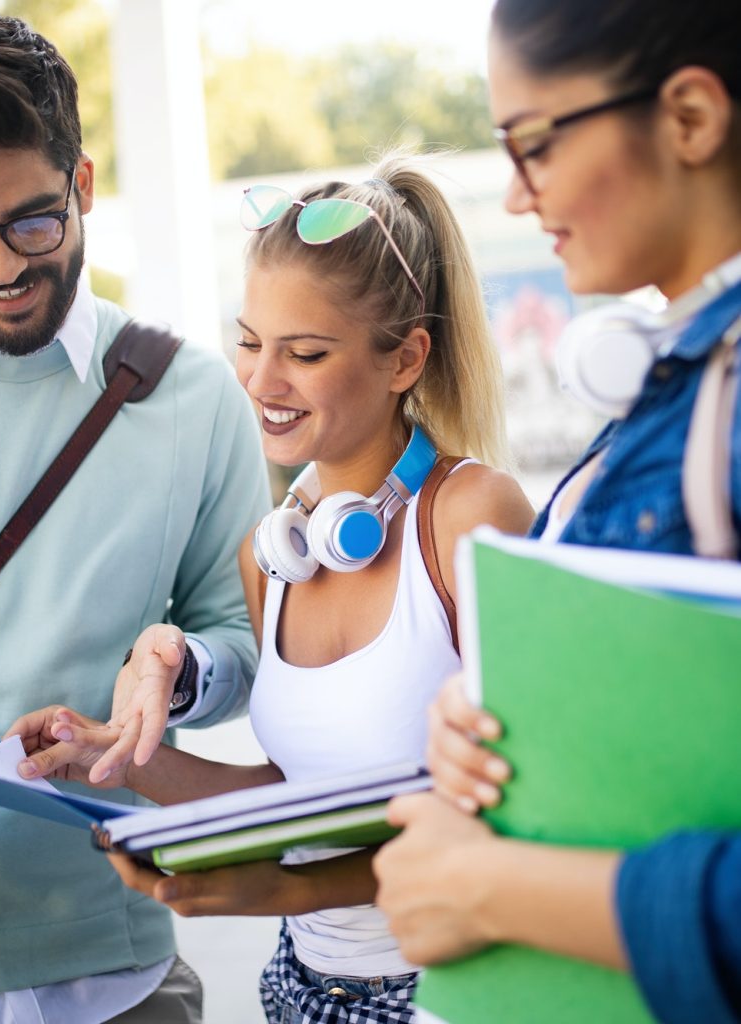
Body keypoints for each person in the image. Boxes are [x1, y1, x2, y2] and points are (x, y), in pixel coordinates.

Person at [8, 153, 535, 1023]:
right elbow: (298, 796)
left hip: (455, 992)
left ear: (405, 359)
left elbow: (526, 817)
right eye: (249, 341)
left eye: (306, 353)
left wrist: (285, 891)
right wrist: (118, 757)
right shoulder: (275, 553)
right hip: (300, 992)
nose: (259, 381)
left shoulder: (472, 516)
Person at [372, 1, 741, 1021]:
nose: (519, 194)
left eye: (533, 144)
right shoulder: (682, 378)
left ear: (691, 118)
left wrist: (483, 889)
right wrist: (500, 722)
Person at [0, 10, 270, 1023]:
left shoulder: (192, 397)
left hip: (114, 960)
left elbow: (243, 639)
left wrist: (180, 664)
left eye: (30, 222)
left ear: (80, 184)